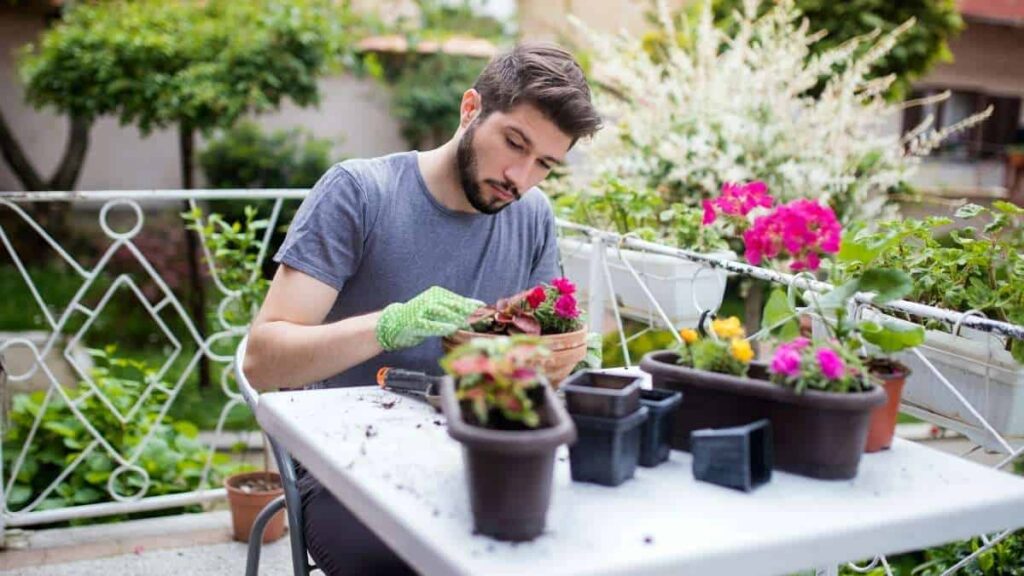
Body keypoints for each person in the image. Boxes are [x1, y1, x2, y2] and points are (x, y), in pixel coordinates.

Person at [243, 42, 602, 575]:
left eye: (544, 164)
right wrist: (388, 325)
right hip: (346, 469)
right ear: (470, 110)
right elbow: (263, 358)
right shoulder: (360, 193)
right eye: (513, 143)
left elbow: (542, 358)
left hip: (476, 454)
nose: (520, 178)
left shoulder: (532, 216)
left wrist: (565, 357)